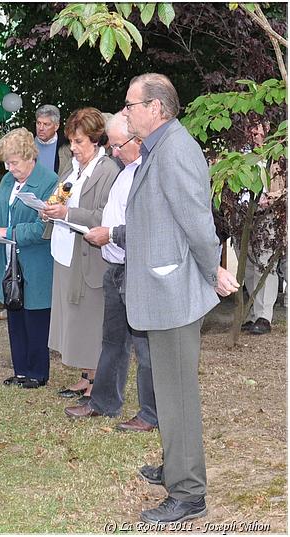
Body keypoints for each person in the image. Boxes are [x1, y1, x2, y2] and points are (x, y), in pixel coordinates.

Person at [122, 73, 239, 523]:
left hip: (173, 291)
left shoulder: (176, 149)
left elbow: (198, 223)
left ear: (156, 108)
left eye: (131, 105)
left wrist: (213, 271)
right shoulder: (159, 147)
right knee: (168, 391)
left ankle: (189, 493)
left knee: (178, 396)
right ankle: (176, 466)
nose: (127, 112)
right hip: (161, 290)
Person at [63, 113, 157, 433]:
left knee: (144, 348)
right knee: (112, 341)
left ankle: (150, 414)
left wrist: (111, 235)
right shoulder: (126, 170)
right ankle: (103, 402)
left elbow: (151, 228)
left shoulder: (150, 173)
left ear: (138, 140)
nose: (113, 151)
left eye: (118, 145)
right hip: (115, 268)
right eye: (112, 145)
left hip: (137, 269)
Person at [41, 107, 119, 403]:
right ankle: (86, 375)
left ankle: (97, 380)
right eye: (71, 141)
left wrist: (67, 213)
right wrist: (47, 209)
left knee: (90, 319)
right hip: (66, 253)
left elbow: (103, 216)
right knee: (74, 318)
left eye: (79, 142)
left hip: (90, 256)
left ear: (96, 140)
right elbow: (59, 196)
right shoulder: (72, 169)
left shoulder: (108, 171)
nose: (73, 148)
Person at [0, 128, 58, 388]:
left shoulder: (49, 181)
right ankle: (21, 370)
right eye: (6, 163)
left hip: (36, 262)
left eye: (14, 162)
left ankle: (38, 372)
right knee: (15, 316)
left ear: (29, 157)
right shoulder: (7, 180)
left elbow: (42, 229)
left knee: (35, 318)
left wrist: (7, 233)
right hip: (8, 261)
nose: (9, 168)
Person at [237, 118, 283, 335]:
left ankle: (264, 316)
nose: (254, 132)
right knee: (247, 264)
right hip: (242, 216)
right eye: (250, 127)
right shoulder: (241, 155)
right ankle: (254, 314)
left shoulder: (278, 154)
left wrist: (274, 197)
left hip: (267, 215)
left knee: (264, 264)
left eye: (258, 126)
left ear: (267, 128)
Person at [34, 104, 73, 178]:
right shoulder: (27, 144)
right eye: (38, 123)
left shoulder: (67, 146)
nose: (41, 128)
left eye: (46, 124)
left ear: (56, 126)